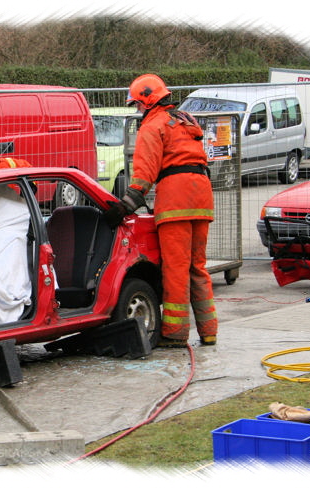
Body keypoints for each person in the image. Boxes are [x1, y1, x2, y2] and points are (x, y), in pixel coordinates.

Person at [106, 73, 218, 348]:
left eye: (137, 104)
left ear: (147, 101)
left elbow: (144, 175)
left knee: (176, 268)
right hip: (201, 196)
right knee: (197, 267)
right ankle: (209, 330)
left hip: (176, 202)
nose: (137, 109)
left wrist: (124, 206)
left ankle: (175, 333)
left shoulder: (153, 126)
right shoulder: (183, 121)